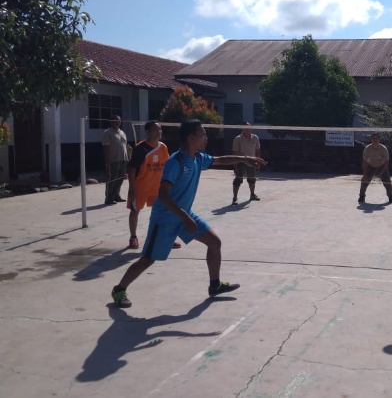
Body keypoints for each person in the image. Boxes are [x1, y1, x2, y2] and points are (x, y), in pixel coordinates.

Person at [111, 119, 268, 308]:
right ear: (191, 137)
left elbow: (219, 160)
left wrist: (244, 158)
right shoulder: (175, 162)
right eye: (203, 133)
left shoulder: (198, 158)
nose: (206, 137)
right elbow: (163, 193)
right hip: (166, 218)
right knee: (148, 259)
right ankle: (119, 289)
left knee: (214, 242)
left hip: (185, 214)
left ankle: (215, 285)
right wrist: (185, 218)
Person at [125, 121, 180, 250]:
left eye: (160, 130)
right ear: (148, 132)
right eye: (156, 129)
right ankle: (133, 237)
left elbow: (167, 166)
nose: (159, 132)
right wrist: (131, 188)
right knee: (135, 211)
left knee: (162, 212)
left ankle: (164, 238)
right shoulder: (140, 148)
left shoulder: (163, 147)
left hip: (157, 187)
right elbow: (132, 169)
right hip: (141, 186)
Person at [358, 133, 392, 204]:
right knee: (364, 180)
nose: (375, 140)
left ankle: (391, 196)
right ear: (371, 139)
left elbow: (387, 162)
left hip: (382, 166)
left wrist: (381, 172)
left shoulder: (384, 149)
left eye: (376, 138)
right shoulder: (367, 149)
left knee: (387, 181)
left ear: (379, 140)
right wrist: (365, 174)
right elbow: (364, 162)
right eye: (373, 139)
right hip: (371, 166)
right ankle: (362, 196)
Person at [231, 121, 262, 204]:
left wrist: (258, 161)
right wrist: (235, 166)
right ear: (242, 128)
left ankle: (252, 195)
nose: (247, 129)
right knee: (238, 180)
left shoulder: (255, 138)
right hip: (241, 162)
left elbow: (257, 150)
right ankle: (235, 198)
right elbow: (235, 153)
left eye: (248, 127)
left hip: (252, 162)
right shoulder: (238, 139)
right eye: (245, 128)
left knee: (252, 179)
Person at [102, 114, 128, 206]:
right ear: (111, 121)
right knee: (112, 179)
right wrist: (107, 159)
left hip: (123, 159)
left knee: (120, 178)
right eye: (116, 120)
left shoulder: (122, 132)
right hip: (113, 159)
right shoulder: (108, 133)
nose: (118, 122)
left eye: (119, 120)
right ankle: (109, 198)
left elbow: (125, 146)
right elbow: (106, 147)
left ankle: (116, 195)